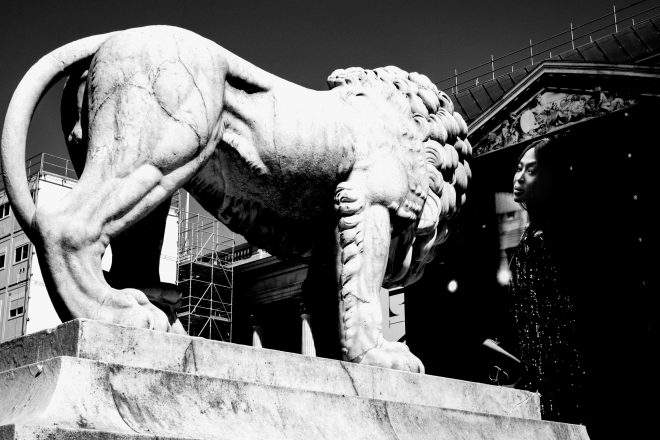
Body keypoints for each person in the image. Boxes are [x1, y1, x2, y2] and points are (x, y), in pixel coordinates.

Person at [507, 137, 585, 423]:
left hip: (557, 375)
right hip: (539, 371)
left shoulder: (552, 237)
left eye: (532, 170)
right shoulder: (531, 236)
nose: (519, 177)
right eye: (518, 168)